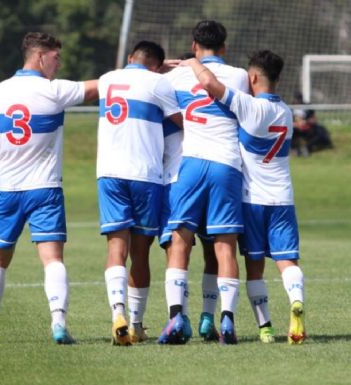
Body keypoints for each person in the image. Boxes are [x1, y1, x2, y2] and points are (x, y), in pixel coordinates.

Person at [0, 32, 98, 345]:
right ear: (40, 55)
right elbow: (102, 86)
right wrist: (142, 71)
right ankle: (58, 325)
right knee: (53, 259)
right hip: (45, 190)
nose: (59, 64)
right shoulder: (55, 91)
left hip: (6, 191)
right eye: (56, 57)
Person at [182, 50, 307, 344]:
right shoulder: (286, 112)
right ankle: (297, 302)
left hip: (252, 200)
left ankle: (265, 329)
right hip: (283, 199)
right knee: (288, 262)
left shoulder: (249, 106)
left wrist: (192, 62)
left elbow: (212, 86)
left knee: (254, 268)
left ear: (252, 78)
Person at [158, 20, 249, 345]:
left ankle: (175, 318)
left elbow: (149, 90)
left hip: (190, 164)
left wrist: (162, 67)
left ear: (194, 46)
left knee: (180, 242)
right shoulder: (239, 75)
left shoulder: (174, 77)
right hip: (227, 164)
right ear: (224, 47)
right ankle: (224, 320)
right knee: (224, 247)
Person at [96, 41, 182, 345]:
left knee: (115, 249)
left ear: (131, 58)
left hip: (109, 174)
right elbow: (181, 120)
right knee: (140, 253)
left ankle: (116, 311)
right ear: (157, 65)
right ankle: (135, 324)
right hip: (146, 177)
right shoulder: (159, 82)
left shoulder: (107, 79)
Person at [291, 91, 333, 156]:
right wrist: (296, 124)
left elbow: (314, 119)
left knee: (320, 131)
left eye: (300, 98)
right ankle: (294, 149)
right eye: (297, 98)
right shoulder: (290, 108)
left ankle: (306, 148)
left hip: (307, 127)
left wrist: (307, 122)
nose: (298, 100)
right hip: (295, 128)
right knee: (287, 132)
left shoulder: (308, 107)